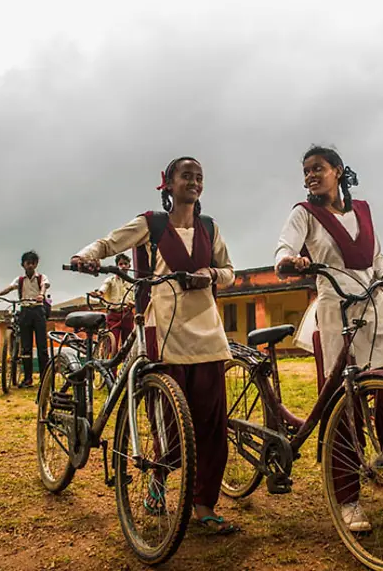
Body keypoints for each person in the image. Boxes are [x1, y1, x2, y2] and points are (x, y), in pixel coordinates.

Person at [70, 157, 239, 535]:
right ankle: (157, 482)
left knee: (212, 425)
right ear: (168, 183)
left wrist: (211, 273)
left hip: (208, 333)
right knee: (167, 419)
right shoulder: (152, 224)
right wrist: (87, 257)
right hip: (163, 329)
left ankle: (203, 504)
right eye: (186, 176)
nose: (193, 182)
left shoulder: (210, 228)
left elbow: (230, 272)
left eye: (199, 177)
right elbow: (110, 242)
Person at [275, 145, 383, 532]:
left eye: (318, 168)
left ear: (338, 171)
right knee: (341, 408)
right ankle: (348, 499)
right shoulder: (304, 214)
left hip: (375, 306)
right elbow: (284, 247)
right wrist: (288, 260)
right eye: (306, 171)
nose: (311, 176)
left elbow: (376, 256)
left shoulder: (362, 209)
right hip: (336, 309)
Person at [0, 250, 50, 388]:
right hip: (25, 311)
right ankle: (27, 379)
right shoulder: (20, 280)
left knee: (42, 347)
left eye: (33, 263)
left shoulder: (41, 278)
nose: (30, 266)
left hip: (38, 310)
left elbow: (45, 287)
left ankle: (45, 378)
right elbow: (9, 288)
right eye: (28, 263)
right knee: (26, 348)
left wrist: (41, 295)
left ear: (36, 264)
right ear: (23, 265)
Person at [89, 253, 135, 349]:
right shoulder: (110, 280)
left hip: (127, 314)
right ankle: (109, 360)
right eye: (120, 264)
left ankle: (126, 362)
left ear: (129, 266)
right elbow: (103, 289)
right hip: (113, 314)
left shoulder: (132, 283)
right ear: (117, 266)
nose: (123, 266)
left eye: (125, 264)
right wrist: (98, 293)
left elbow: (135, 298)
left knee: (128, 343)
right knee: (111, 341)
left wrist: (133, 304)